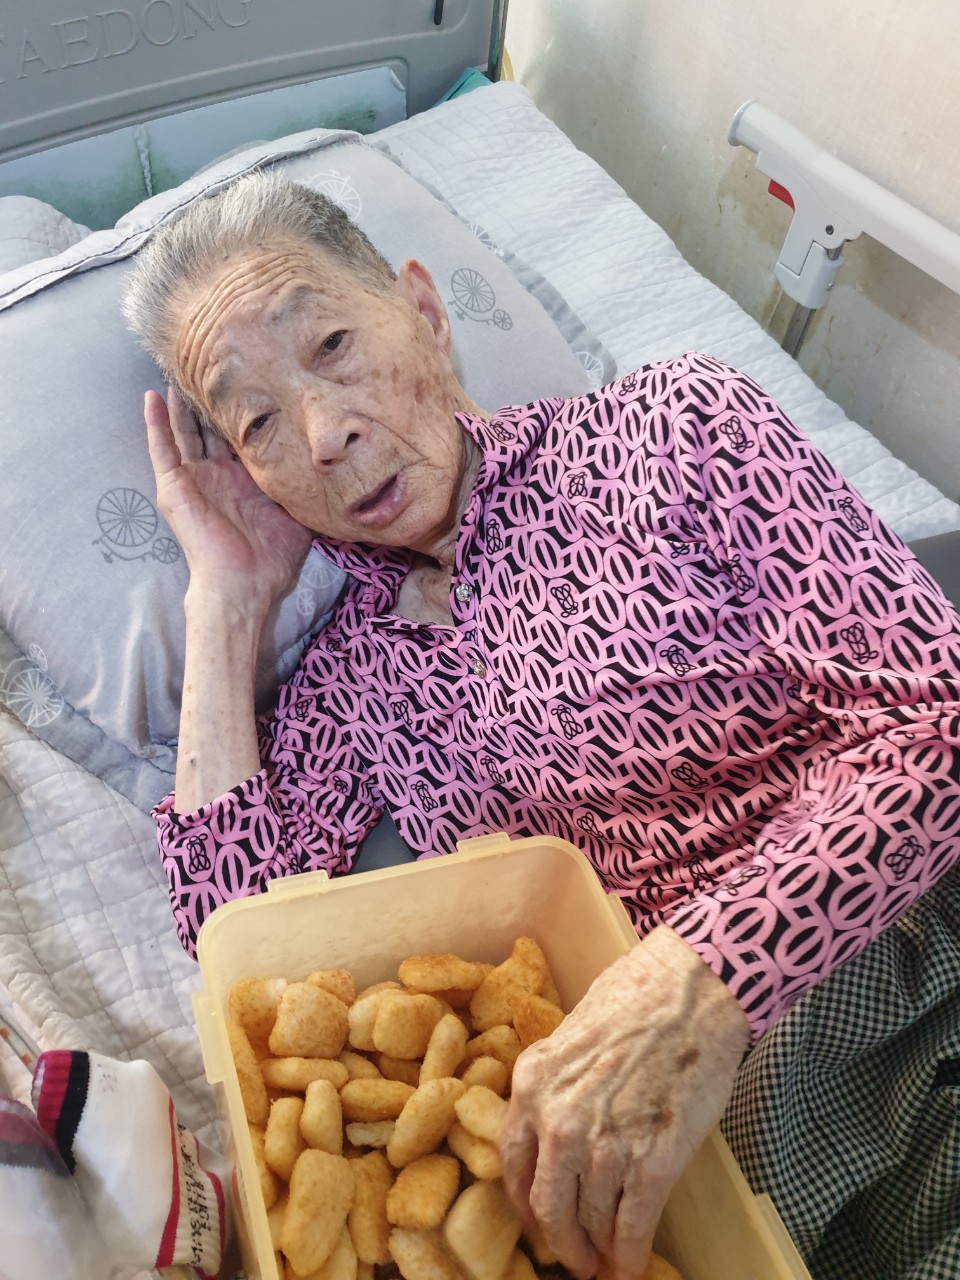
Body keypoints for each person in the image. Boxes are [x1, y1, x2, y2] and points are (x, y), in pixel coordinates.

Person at [123, 170, 960, 1280]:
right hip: (673, 1141)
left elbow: (937, 716)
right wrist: (227, 603)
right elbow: (245, 956)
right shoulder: (348, 678)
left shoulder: (670, 433)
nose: (322, 434)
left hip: (899, 966)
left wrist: (703, 979)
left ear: (424, 309)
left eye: (330, 344)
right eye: (259, 421)